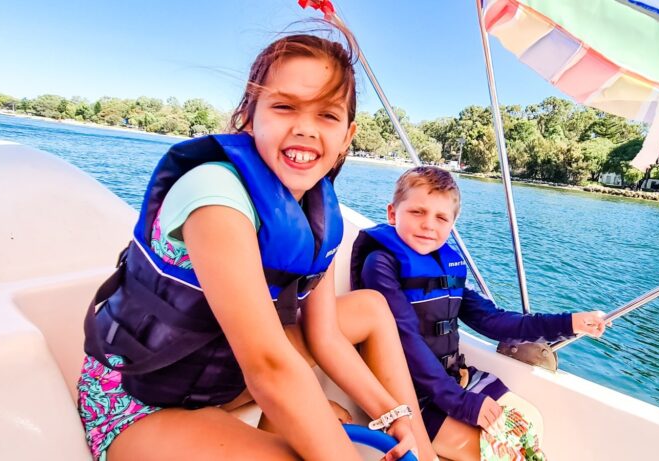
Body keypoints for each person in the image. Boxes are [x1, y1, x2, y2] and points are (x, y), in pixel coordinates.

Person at [80, 31, 436, 461]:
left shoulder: (314, 214)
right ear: (250, 118)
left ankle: (424, 450)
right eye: (284, 107)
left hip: (221, 377)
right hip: (141, 399)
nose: (305, 129)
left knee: (371, 308)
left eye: (327, 115)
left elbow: (323, 336)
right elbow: (269, 365)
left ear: (347, 135)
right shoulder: (215, 197)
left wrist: (391, 414)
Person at [351, 166, 608, 461]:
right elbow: (406, 341)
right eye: (417, 212)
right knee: (498, 454)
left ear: (452, 224)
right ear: (392, 213)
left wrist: (569, 323)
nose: (428, 225)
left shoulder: (445, 267)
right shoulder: (380, 265)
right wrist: (462, 403)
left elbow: (493, 321)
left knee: (529, 422)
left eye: (441, 218)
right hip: (407, 394)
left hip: (453, 380)